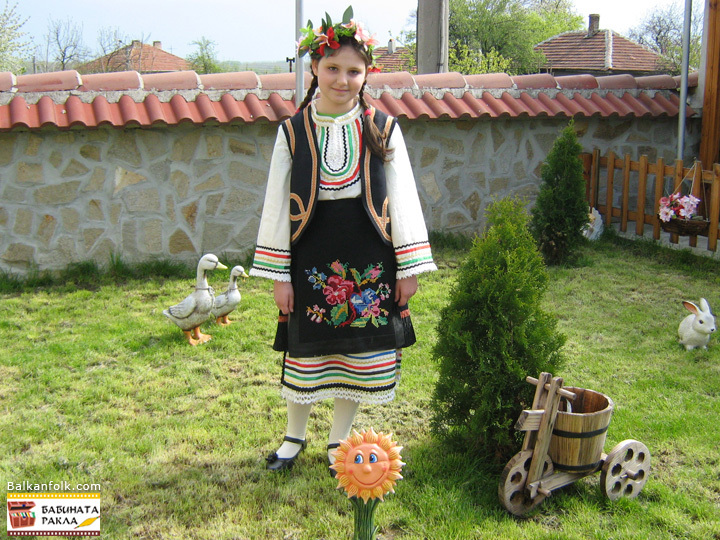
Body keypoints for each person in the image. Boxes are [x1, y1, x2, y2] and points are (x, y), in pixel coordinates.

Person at [250, 6, 436, 473]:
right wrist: (278, 276)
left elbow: (404, 199)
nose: (342, 79)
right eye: (332, 68)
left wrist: (408, 269)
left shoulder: (383, 127)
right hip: (309, 257)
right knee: (305, 348)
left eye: (354, 71)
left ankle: (338, 442)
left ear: (367, 73)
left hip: (370, 258)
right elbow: (276, 208)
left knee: (357, 353)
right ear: (313, 68)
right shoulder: (292, 132)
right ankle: (294, 438)